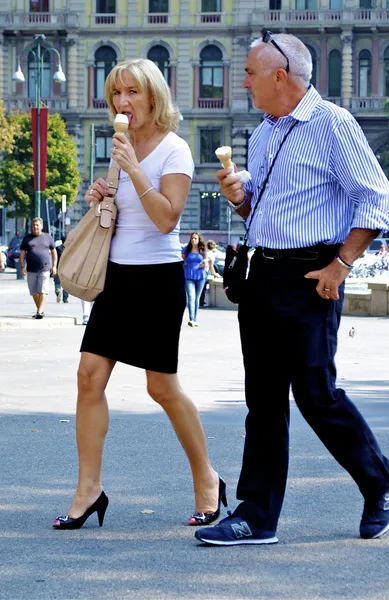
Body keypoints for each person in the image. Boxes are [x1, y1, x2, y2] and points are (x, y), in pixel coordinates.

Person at [195, 32, 389, 546]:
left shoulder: (332, 124)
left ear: (279, 76)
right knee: (262, 400)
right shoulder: (264, 132)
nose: (242, 81)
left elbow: (375, 198)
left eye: (248, 73)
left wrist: (341, 265)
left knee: (316, 394)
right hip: (264, 273)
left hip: (314, 274)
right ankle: (256, 516)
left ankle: (380, 479)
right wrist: (240, 200)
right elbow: (262, 214)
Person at [53, 58, 225, 530]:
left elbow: (168, 218)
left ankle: (207, 479)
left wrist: (133, 170)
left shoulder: (176, 151)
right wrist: (102, 194)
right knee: (89, 375)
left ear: (153, 96)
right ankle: (88, 490)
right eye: (115, 94)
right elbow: (122, 209)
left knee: (161, 387)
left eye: (131, 92)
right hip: (116, 277)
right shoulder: (121, 144)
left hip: (156, 279)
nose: (122, 103)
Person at [19, 217, 57, 319]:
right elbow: (22, 254)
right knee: (34, 292)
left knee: (42, 290)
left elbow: (54, 252)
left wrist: (54, 266)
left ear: (41, 226)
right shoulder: (27, 239)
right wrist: (22, 266)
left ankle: (39, 312)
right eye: (34, 225)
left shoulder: (47, 237)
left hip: (44, 268)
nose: (35, 227)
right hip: (31, 269)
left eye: (37, 225)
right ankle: (40, 310)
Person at [182, 232, 209, 326]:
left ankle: (195, 318)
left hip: (201, 275)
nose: (193, 240)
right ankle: (191, 319)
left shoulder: (203, 250)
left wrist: (205, 265)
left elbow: (207, 262)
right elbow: (181, 261)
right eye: (192, 238)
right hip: (188, 275)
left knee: (197, 298)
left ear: (199, 240)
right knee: (191, 297)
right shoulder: (186, 249)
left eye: (195, 238)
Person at [200, 239, 219, 307]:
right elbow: (211, 266)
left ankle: (198, 302)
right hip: (204, 272)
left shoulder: (204, 252)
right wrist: (215, 273)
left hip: (199, 271)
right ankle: (201, 302)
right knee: (203, 289)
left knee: (199, 288)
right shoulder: (211, 254)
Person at [53, 236, 69, 304]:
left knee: (57, 282)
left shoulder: (57, 248)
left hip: (58, 267)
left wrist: (53, 267)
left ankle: (58, 291)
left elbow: (54, 257)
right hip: (66, 269)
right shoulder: (69, 248)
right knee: (66, 284)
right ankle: (65, 299)